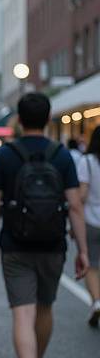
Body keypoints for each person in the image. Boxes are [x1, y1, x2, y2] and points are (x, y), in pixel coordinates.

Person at [0, 93, 89, 358]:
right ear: (47, 118)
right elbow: (74, 205)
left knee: (22, 313)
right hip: (53, 243)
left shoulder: (5, 156)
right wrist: (82, 249)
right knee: (45, 308)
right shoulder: (62, 155)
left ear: (18, 119)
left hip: (15, 243)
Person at [77, 125, 100, 326]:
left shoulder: (87, 162)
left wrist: (73, 223)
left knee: (92, 264)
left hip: (91, 220)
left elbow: (82, 195)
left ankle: (96, 301)